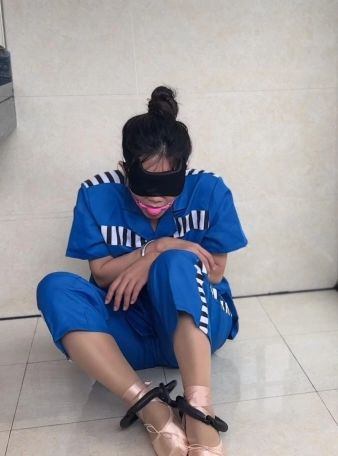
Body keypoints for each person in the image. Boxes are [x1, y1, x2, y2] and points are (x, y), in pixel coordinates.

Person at [36, 86, 247, 456]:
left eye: (168, 186)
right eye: (146, 185)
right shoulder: (95, 193)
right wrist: (156, 246)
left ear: (184, 171)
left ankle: (199, 409)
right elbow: (103, 275)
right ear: (124, 169)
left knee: (177, 262)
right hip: (126, 335)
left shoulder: (210, 189)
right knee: (54, 287)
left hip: (196, 327)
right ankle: (149, 406)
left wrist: (161, 255)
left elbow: (213, 273)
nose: (156, 197)